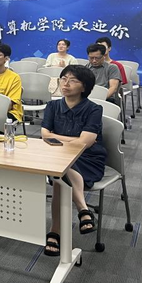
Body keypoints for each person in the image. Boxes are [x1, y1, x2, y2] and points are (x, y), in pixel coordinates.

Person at [42, 65, 106, 256]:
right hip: (59, 155)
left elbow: (85, 143)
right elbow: (45, 134)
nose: (66, 84)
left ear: (84, 87)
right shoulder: (53, 106)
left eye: (73, 80)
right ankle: (83, 211)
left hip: (88, 159)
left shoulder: (94, 109)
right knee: (60, 171)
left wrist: (57, 136)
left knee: (59, 176)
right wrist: (75, 139)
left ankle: (55, 232)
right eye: (63, 79)